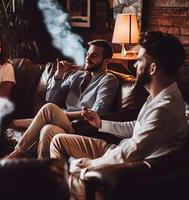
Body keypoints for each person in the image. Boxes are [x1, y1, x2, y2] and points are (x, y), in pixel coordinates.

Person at [50, 31, 188, 199]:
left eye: (139, 60)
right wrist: (102, 124)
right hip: (119, 149)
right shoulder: (159, 96)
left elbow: (130, 154)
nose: (135, 66)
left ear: (153, 68)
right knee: (58, 140)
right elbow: (137, 127)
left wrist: (90, 164)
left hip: (128, 165)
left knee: (71, 171)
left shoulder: (165, 108)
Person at [6, 39, 119, 159]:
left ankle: (15, 155)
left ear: (107, 60)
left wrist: (63, 114)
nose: (88, 58)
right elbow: (51, 98)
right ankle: (40, 172)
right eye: (88, 54)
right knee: (38, 128)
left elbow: (98, 112)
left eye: (94, 55)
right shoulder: (76, 76)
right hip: (60, 121)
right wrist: (59, 75)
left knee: (49, 109)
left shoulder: (109, 80)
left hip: (80, 126)